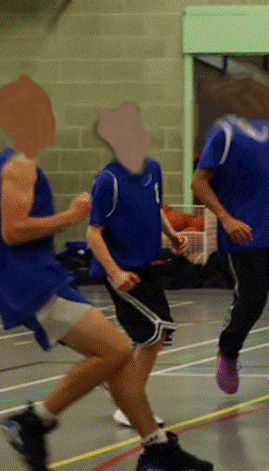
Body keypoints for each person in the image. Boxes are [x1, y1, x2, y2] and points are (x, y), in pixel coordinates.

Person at [0, 76, 212, 471]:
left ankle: (157, 449)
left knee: (116, 360)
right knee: (116, 350)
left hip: (29, 278)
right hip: (35, 280)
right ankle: (34, 421)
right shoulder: (20, 164)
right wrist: (70, 216)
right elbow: (13, 231)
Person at [192, 75, 269, 404]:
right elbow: (199, 182)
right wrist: (226, 219)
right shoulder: (223, 133)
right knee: (253, 299)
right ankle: (228, 351)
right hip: (243, 231)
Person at [86, 102, 188, 430]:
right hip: (123, 271)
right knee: (154, 330)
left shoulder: (153, 169)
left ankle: (118, 378)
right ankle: (128, 403)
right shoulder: (108, 181)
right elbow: (93, 232)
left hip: (146, 265)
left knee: (157, 332)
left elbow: (155, 207)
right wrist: (114, 272)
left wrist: (172, 235)